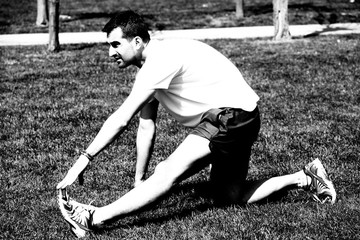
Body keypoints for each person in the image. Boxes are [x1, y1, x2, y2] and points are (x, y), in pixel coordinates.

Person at [56, 10, 336, 238]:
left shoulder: (159, 62)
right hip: (243, 116)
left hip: (230, 116)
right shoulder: (151, 70)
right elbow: (146, 126)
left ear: (137, 42)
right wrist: (139, 181)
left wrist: (85, 158)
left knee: (167, 172)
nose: (110, 53)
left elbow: (121, 118)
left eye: (115, 44)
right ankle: (306, 177)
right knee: (231, 196)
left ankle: (91, 218)